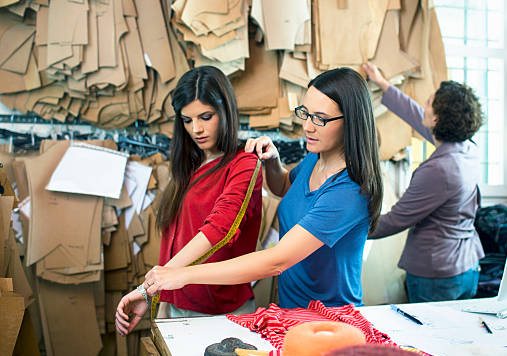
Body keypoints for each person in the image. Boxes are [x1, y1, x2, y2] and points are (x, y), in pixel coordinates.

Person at [115, 67, 383, 336]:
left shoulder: (348, 192)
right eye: (305, 113)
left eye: (320, 118)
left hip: (328, 321)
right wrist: (273, 162)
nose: (307, 126)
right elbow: (285, 189)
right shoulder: (317, 157)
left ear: (352, 120)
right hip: (291, 311)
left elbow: (276, 260)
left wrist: (180, 274)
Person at [115, 66, 263, 332]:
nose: (196, 129)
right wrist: (155, 293)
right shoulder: (190, 164)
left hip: (218, 313)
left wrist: (149, 288)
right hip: (175, 302)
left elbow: (220, 229)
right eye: (187, 120)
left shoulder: (244, 164)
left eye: (206, 117)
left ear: (225, 111)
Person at [362, 62, 485, 303]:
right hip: (467, 266)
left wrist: (343, 226)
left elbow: (395, 220)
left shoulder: (438, 170)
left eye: (429, 102)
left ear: (438, 120)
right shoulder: (466, 147)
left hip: (437, 275)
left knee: (429, 339)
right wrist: (382, 84)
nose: (424, 105)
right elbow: (417, 116)